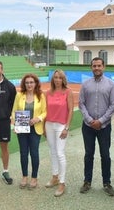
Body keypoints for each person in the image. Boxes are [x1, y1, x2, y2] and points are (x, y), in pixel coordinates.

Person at [78, 57, 114, 196]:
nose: (96, 68)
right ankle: (87, 181)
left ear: (104, 67)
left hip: (104, 127)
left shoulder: (111, 84)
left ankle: (106, 183)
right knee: (89, 154)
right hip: (88, 127)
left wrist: (100, 121)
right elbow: (81, 104)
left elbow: (113, 105)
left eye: (99, 65)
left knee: (105, 155)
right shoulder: (85, 84)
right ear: (91, 67)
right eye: (94, 66)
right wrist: (90, 120)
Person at [11, 73, 46, 189]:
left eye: (31, 82)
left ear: (35, 83)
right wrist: (16, 124)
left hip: (35, 129)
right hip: (22, 129)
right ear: (24, 84)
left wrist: (38, 118)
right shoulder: (19, 95)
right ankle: (24, 176)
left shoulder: (41, 95)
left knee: (34, 153)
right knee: (23, 153)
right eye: (27, 82)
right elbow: (14, 111)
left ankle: (34, 177)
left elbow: (45, 112)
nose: (29, 84)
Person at [44, 69, 74, 197]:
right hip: (49, 125)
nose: (57, 80)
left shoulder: (68, 92)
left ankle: (62, 182)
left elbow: (71, 110)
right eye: (55, 77)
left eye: (59, 77)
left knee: (60, 153)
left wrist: (66, 128)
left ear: (63, 79)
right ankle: (55, 177)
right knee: (53, 152)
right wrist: (44, 127)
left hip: (61, 126)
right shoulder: (48, 93)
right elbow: (45, 110)